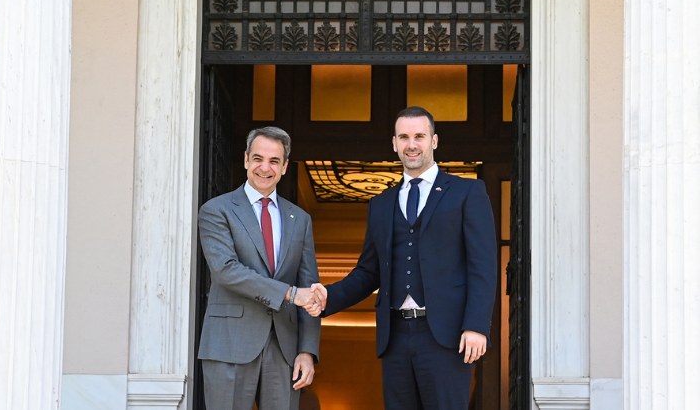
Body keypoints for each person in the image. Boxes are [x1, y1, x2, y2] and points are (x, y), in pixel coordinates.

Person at [310, 106, 498, 409]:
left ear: (434, 141)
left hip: (447, 336)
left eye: (419, 136)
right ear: (394, 143)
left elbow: (483, 265)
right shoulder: (381, 203)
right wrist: (328, 297)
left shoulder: (467, 192)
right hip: (395, 337)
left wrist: (476, 325)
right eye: (404, 137)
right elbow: (368, 272)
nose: (412, 144)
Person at [197, 126, 322, 410]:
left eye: (274, 161)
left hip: (284, 350)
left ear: (285, 167)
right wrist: (290, 294)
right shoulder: (216, 210)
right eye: (258, 159)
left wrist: (307, 351)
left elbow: (310, 288)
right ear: (246, 160)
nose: (265, 168)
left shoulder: (300, 219)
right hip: (229, 344)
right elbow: (226, 270)